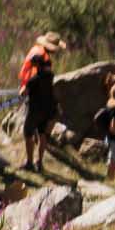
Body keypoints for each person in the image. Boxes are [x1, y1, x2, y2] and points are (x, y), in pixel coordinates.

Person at [19, 32, 65, 174]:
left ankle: (29, 162)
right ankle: (39, 162)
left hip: (35, 107)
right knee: (43, 134)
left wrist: (24, 90)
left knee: (28, 132)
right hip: (48, 108)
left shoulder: (34, 78)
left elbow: (24, 92)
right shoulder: (50, 74)